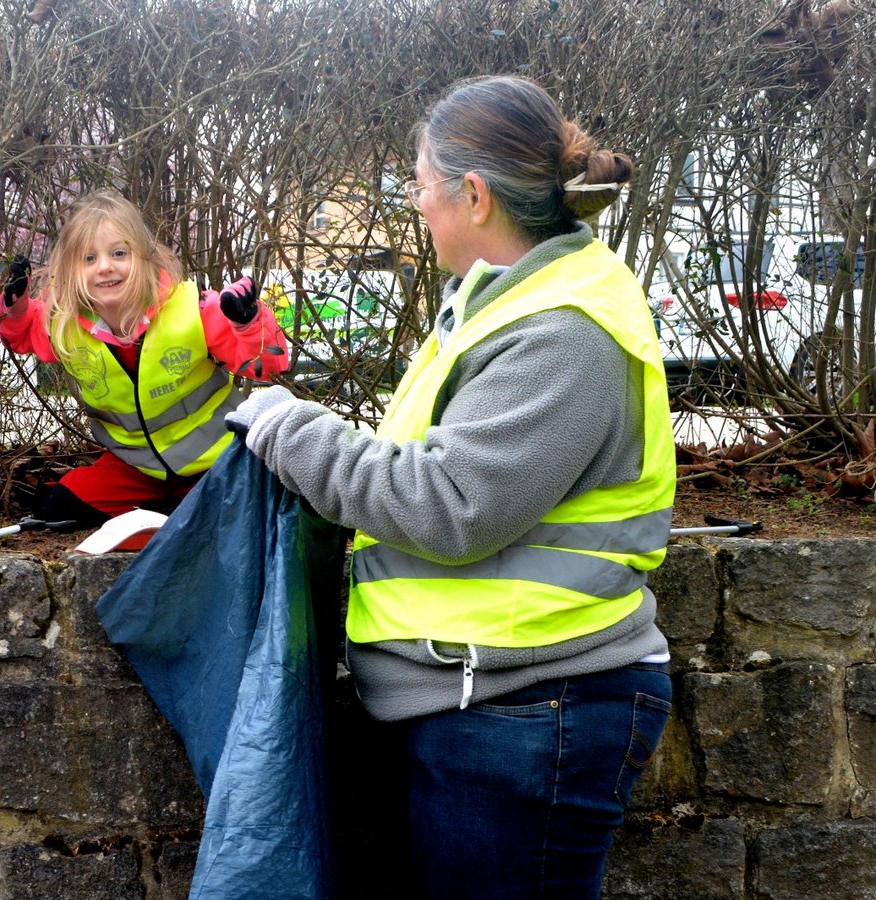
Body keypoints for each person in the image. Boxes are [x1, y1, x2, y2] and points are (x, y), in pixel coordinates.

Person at [227, 75, 677, 898]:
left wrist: (289, 429)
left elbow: (451, 504)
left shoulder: (563, 331)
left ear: (473, 195)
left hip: (530, 712)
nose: (417, 204)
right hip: (485, 703)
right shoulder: (501, 306)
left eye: (422, 186)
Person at [0, 190, 289, 527]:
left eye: (119, 253)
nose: (105, 267)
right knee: (54, 507)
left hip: (216, 459)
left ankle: (180, 510)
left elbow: (267, 366)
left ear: (145, 258)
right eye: (89, 259)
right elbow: (23, 334)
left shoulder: (194, 308)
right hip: (134, 469)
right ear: (70, 270)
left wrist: (248, 322)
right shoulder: (64, 324)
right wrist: (15, 309)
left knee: (243, 511)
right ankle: (168, 509)